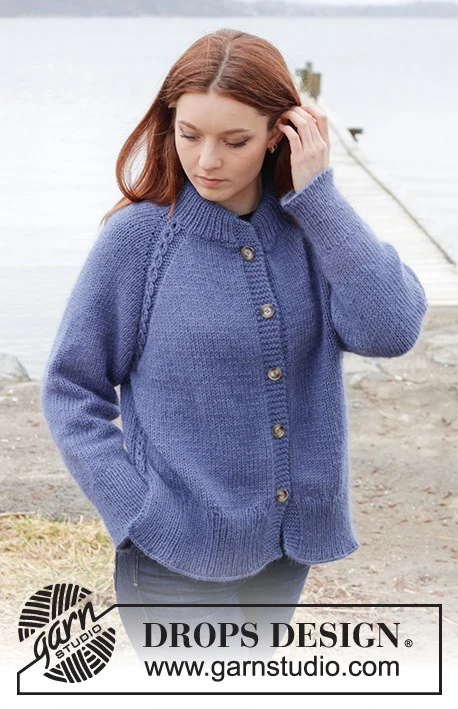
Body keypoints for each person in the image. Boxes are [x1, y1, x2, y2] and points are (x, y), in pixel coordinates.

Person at [40, 28, 428, 664]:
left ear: (280, 133)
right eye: (189, 134)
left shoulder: (314, 229)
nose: (207, 160)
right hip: (173, 562)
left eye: (235, 140)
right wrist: (137, 509)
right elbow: (69, 388)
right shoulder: (140, 241)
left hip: (284, 558)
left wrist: (322, 201)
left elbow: (391, 330)